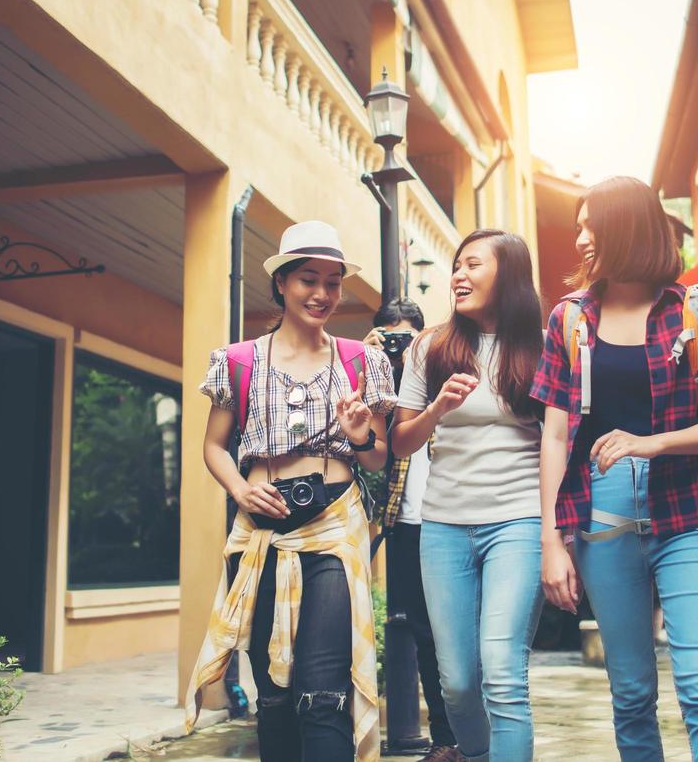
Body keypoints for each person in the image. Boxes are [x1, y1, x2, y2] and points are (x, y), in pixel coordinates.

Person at [534, 176, 698, 762]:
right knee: (630, 694)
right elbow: (555, 435)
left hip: (692, 516)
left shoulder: (697, 310)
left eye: (589, 225)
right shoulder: (569, 321)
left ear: (625, 228)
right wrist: (552, 541)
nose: (579, 238)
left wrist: (652, 443)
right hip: (603, 522)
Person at [185, 221, 397, 762]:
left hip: (333, 532)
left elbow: (378, 457)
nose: (322, 294)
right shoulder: (238, 361)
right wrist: (238, 488)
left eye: (333, 282)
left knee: (322, 691)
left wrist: (360, 436)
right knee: (273, 696)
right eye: (308, 279)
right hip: (260, 534)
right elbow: (214, 446)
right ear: (281, 282)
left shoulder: (360, 360)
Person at [391, 230, 546, 762]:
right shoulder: (430, 346)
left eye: (473, 265)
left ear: (509, 274)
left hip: (519, 520)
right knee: (457, 679)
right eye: (456, 266)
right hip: (444, 525)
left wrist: (559, 530)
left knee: (502, 670)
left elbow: (562, 441)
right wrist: (436, 409)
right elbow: (401, 442)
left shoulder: (543, 347)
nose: (458, 275)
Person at [368, 298, 459, 762]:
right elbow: (371, 443)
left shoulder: (440, 368)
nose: (399, 344)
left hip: (452, 518)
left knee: (462, 634)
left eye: (406, 336)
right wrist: (375, 364)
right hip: (405, 526)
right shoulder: (376, 379)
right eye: (389, 335)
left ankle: (475, 734)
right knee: (424, 634)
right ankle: (446, 740)